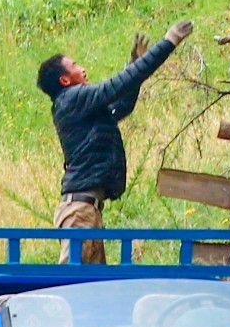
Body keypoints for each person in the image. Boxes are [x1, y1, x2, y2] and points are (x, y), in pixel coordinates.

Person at [36, 22, 192, 262]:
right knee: (67, 286)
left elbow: (121, 104)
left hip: (88, 210)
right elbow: (116, 86)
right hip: (79, 212)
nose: (83, 68)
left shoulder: (80, 107)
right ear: (65, 80)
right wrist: (168, 42)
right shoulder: (72, 99)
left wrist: (135, 66)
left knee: (91, 291)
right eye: (75, 66)